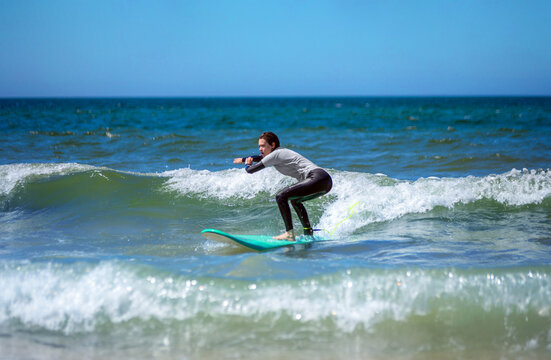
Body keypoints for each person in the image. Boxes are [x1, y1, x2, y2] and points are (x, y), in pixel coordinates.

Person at [233, 132, 332, 241]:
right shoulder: (278, 154)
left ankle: (289, 233)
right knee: (295, 201)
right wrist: (244, 159)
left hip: (316, 177)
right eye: (259, 146)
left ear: (273, 145)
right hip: (325, 181)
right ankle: (308, 232)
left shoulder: (276, 154)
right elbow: (260, 158)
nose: (260, 149)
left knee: (280, 196)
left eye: (263, 146)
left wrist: (247, 164)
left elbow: (251, 170)